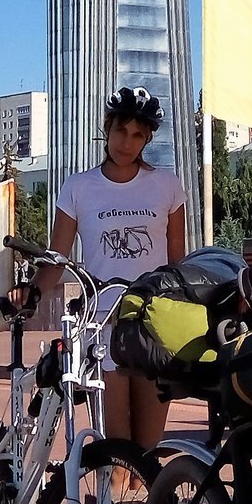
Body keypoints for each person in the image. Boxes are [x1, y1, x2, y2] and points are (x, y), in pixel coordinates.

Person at [44, 86, 187, 450]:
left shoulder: (167, 186)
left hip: (154, 323)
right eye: (121, 131)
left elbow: (176, 264)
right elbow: (55, 257)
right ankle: (113, 503)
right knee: (115, 449)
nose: (127, 142)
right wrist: (27, 291)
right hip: (104, 323)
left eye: (138, 135)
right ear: (107, 129)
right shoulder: (79, 187)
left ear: (147, 139)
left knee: (149, 451)